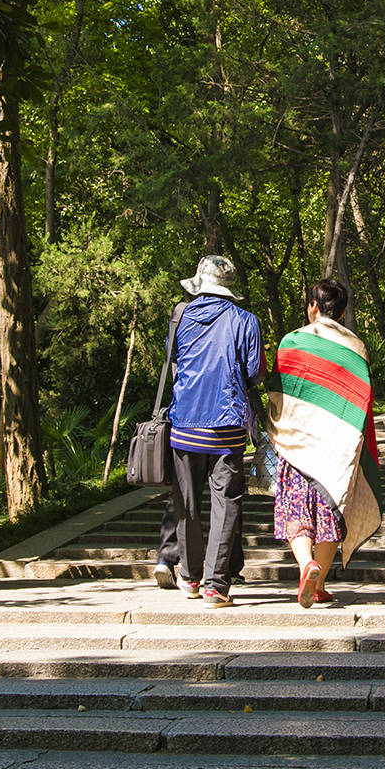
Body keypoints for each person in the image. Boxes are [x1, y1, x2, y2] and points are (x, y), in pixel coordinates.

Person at [264, 279, 383, 608]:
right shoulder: (355, 346)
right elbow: (361, 399)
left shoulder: (292, 341)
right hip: (337, 446)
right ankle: (319, 583)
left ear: (313, 307)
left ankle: (307, 566)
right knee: (332, 511)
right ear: (343, 312)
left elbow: (278, 390)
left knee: (295, 507)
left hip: (297, 442)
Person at [163, 255, 264, 608]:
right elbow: (254, 372)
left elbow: (172, 359)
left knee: (186, 502)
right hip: (228, 425)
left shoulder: (182, 315)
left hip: (186, 422)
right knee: (226, 503)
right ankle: (216, 586)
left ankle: (189, 577)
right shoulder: (246, 321)